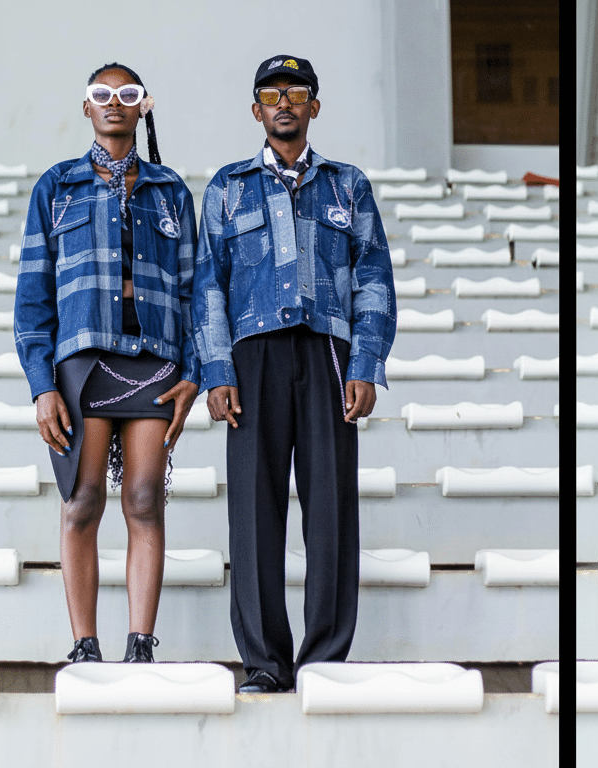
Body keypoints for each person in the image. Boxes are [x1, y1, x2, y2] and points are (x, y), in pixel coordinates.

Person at [193, 55, 397, 693]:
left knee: (330, 507)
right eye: (272, 94)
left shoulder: (348, 185)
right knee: (254, 509)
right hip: (253, 356)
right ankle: (263, 661)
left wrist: (366, 362)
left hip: (329, 354)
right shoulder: (227, 187)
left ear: (315, 106)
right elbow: (209, 286)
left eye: (297, 92)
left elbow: (373, 277)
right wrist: (216, 369)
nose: (285, 103)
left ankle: (325, 659)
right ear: (256, 110)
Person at [15, 63, 200, 664]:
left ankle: (141, 645)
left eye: (126, 94)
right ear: (87, 108)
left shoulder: (170, 189)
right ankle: (84, 646)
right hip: (83, 363)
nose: (113, 103)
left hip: (153, 360)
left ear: (143, 105)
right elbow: (33, 296)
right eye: (102, 94)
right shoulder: (56, 186)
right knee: (83, 499)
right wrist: (42, 385)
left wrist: (194, 371)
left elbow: (197, 290)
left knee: (144, 498)